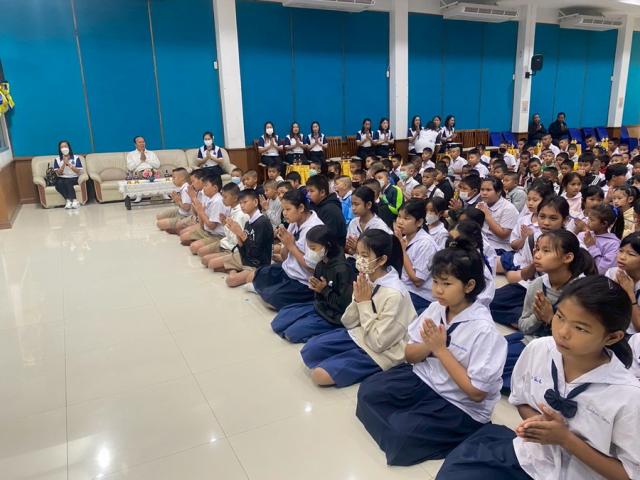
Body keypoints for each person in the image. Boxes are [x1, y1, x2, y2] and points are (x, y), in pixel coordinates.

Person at [436, 275, 640, 480]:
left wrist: (566, 439)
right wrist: (538, 424)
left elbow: (631, 474)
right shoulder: (539, 349)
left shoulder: (628, 396)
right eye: (560, 316)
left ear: (612, 337)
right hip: (531, 458)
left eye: (580, 328)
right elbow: (521, 401)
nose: (563, 332)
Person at [356, 244, 506, 466]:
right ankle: (408, 422)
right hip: (424, 379)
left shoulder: (484, 331)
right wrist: (428, 346)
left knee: (401, 435)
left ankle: (417, 427)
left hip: (458, 402)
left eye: (446, 284)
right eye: (435, 282)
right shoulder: (437, 308)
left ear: (469, 286)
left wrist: (440, 350)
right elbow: (409, 355)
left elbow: (476, 393)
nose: (437, 290)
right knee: (369, 392)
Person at [300, 229, 416, 387]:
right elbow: (349, 322)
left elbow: (378, 343)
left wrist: (364, 303)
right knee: (310, 350)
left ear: (382, 260)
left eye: (365, 255)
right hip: (361, 334)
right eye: (358, 254)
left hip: (385, 351)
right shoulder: (367, 277)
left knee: (319, 376)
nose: (359, 260)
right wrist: (358, 301)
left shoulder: (395, 294)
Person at [502, 230, 596, 390]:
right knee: (489, 356)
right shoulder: (538, 285)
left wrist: (551, 319)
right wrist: (537, 317)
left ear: (568, 257)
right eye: (537, 249)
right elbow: (523, 326)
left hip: (563, 354)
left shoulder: (581, 292)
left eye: (546, 251)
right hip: (531, 341)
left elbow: (580, 340)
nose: (537, 255)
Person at [490, 196, 570, 326]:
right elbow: (525, 274)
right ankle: (527, 320)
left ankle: (535, 321)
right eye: (542, 216)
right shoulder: (533, 239)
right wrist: (535, 263)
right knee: (489, 302)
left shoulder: (572, 244)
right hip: (531, 286)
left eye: (553, 218)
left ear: (565, 220)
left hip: (556, 293)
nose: (546, 222)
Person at [271, 225, 354, 343]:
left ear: (327, 246)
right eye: (309, 248)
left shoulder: (342, 270)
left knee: (292, 334)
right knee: (279, 321)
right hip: (320, 306)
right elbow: (318, 295)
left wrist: (324, 290)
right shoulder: (321, 263)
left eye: (313, 248)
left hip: (335, 315)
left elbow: (345, 305)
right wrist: (316, 287)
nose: (310, 252)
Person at [248, 189, 324, 310]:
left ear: (301, 208)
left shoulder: (316, 229)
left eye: (288, 209)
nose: (284, 213)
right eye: (283, 209)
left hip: (303, 281)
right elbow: (284, 257)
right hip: (287, 270)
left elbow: (313, 267)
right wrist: (285, 243)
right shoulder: (294, 221)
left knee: (272, 298)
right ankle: (270, 289)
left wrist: (291, 246)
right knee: (259, 275)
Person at [207, 189, 274, 287]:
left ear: (255, 202)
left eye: (245, 202)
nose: (242, 205)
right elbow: (243, 249)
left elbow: (256, 253)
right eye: (240, 203)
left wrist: (240, 233)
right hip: (245, 257)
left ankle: (237, 270)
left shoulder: (263, 222)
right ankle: (238, 270)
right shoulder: (248, 223)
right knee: (211, 264)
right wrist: (237, 233)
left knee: (231, 280)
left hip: (258, 263)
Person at [394, 200, 438, 314]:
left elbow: (417, 280)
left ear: (419, 222)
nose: (400, 222)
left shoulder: (426, 244)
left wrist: (402, 250)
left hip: (420, 296)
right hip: (403, 288)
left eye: (406, 218)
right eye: (399, 216)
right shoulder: (404, 239)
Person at [200, 182, 248, 262]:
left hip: (233, 247)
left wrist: (226, 225)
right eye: (222, 196)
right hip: (226, 242)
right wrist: (225, 224)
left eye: (225, 197)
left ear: (235, 198)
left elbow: (236, 240)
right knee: (201, 253)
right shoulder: (232, 208)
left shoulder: (240, 214)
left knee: (208, 261)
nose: (222, 199)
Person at [605, 231, 640, 334]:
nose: (622, 257)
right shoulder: (612, 273)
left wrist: (629, 293)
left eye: (631, 254)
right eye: (621, 251)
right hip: (611, 329)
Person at [476, 177, 520, 255]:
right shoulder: (481, 204)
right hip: (482, 242)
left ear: (498, 192)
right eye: (482, 189)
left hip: (500, 248)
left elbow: (503, 234)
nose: (484, 193)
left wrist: (487, 215)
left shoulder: (509, 208)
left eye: (488, 190)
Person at [345, 186, 392, 256]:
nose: (353, 208)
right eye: (352, 204)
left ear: (368, 205)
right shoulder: (353, 223)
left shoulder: (379, 227)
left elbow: (381, 254)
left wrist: (357, 248)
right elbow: (348, 248)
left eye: (356, 204)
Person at [578, 205, 620, 274]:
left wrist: (591, 247)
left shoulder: (613, 244)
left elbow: (602, 270)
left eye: (592, 220)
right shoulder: (583, 235)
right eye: (588, 218)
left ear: (604, 224)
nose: (588, 222)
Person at [306, 174, 347, 246]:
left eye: (311, 191)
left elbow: (329, 237)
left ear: (322, 192)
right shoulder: (314, 205)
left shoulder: (331, 210)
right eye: (307, 191)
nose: (308, 194)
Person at [156, 168, 191, 233]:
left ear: (182, 178)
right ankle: (174, 223)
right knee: (159, 216)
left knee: (159, 224)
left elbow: (187, 208)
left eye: (174, 178)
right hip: (180, 211)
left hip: (184, 216)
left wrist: (177, 200)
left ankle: (182, 224)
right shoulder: (183, 187)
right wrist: (176, 199)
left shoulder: (186, 189)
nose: (173, 180)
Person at [126, 136, 161, 202]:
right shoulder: (131, 154)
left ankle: (164, 193)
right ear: (135, 144)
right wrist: (141, 160)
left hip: (152, 170)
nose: (142, 144)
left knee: (156, 173)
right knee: (145, 174)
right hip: (139, 172)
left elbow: (157, 165)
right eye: (140, 142)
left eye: (143, 142)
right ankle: (139, 195)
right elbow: (130, 167)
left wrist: (146, 159)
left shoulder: (151, 153)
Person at [52, 140, 83, 209]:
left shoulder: (76, 158)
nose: (64, 148)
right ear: (60, 149)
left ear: (69, 147)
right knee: (58, 184)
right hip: (62, 177)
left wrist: (68, 164)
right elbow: (58, 173)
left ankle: (74, 200)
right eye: (62, 147)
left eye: (65, 146)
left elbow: (78, 171)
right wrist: (64, 163)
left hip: (74, 177)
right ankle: (68, 200)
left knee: (67, 181)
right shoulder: (57, 159)